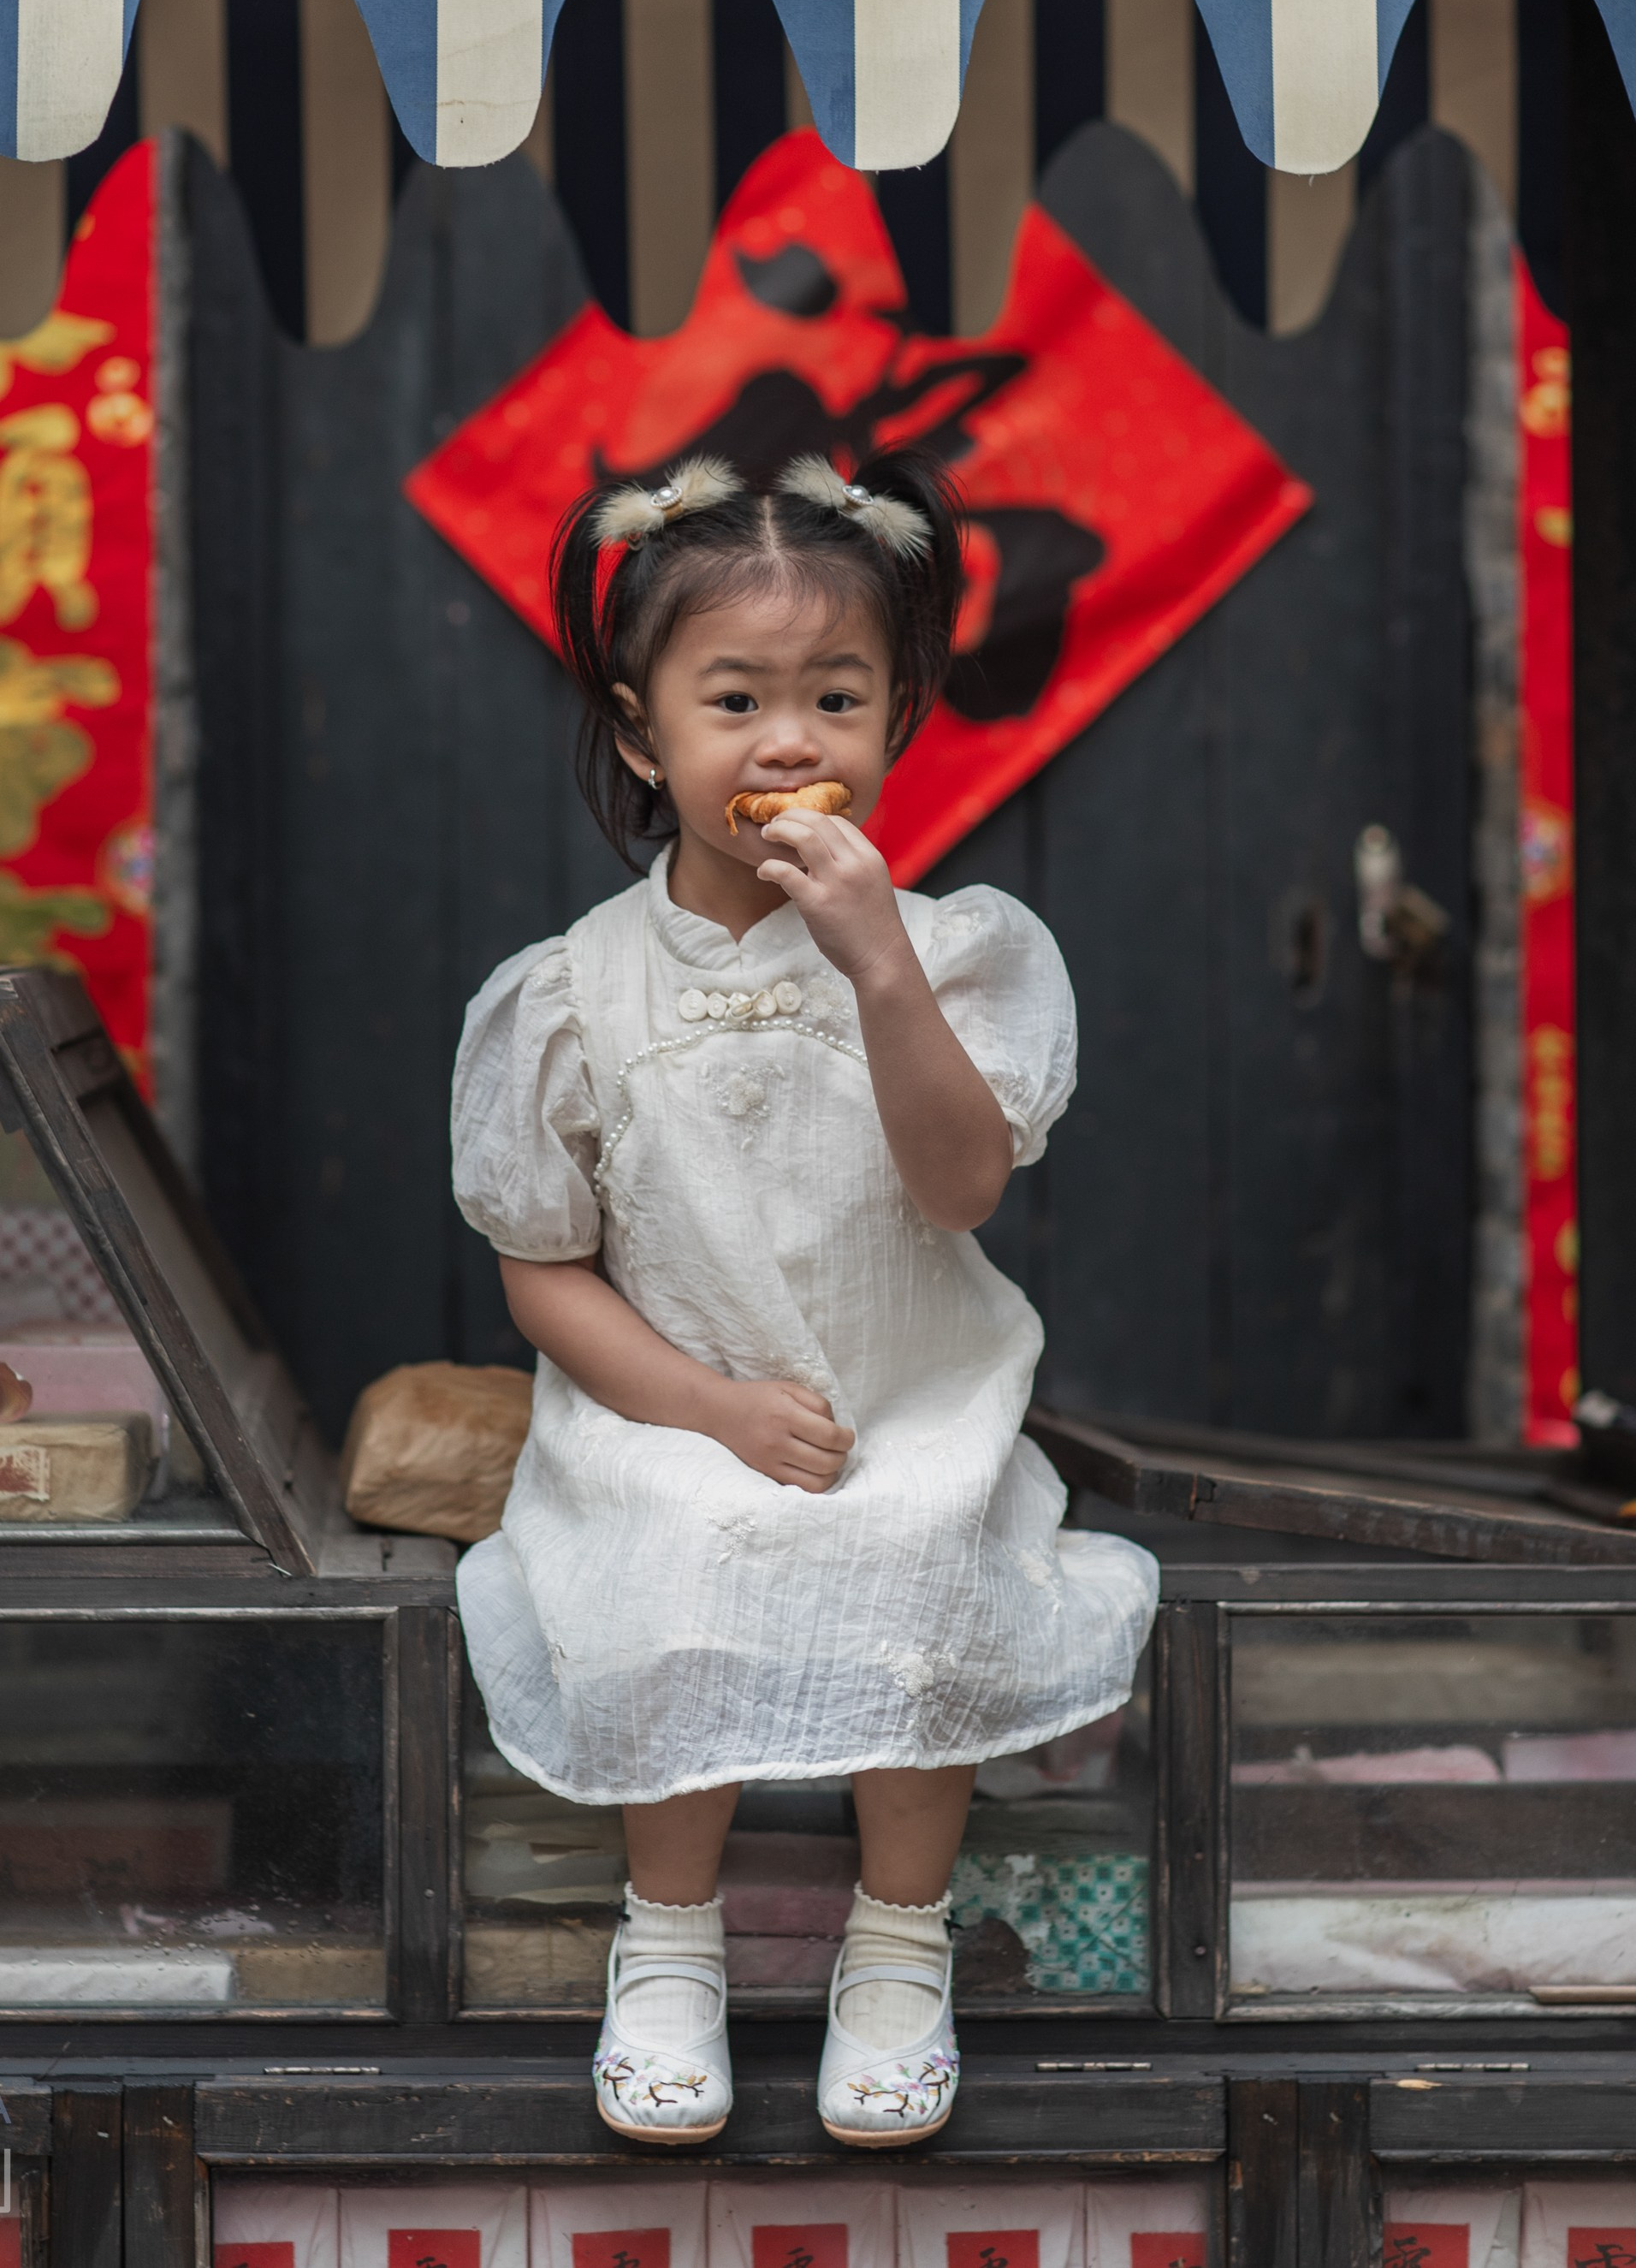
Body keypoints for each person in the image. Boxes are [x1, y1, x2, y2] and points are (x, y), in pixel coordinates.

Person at [451, 448, 1158, 2148]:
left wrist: (879, 967)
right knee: (670, 1555)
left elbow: (959, 1187)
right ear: (640, 733)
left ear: (898, 721)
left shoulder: (956, 953)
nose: (788, 741)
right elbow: (539, 1271)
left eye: (835, 696)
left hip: (900, 1389)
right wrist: (703, 1407)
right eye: (735, 698)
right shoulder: (570, 992)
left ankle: (897, 1944)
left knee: (914, 1547)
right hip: (667, 1401)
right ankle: (667, 1944)